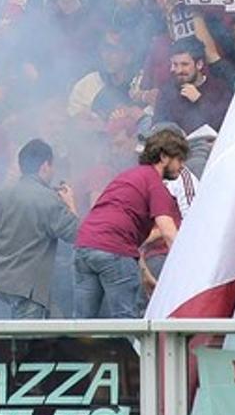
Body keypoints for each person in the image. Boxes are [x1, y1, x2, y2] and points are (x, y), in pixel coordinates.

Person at [72, 128, 186, 318]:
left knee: (82, 322)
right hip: (114, 251)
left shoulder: (127, 177)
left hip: (84, 247)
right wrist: (188, 273)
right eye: (179, 159)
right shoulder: (155, 185)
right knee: (125, 319)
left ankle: (76, 348)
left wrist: (145, 276)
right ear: (164, 157)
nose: (182, 166)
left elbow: (127, 237)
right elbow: (169, 233)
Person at [0, 139, 79, 318]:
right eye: (52, 166)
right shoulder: (48, 199)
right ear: (45, 166)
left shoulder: (2, 194)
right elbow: (77, 234)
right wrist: (70, 204)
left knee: (55, 321)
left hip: (1, 280)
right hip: (28, 286)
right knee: (27, 340)